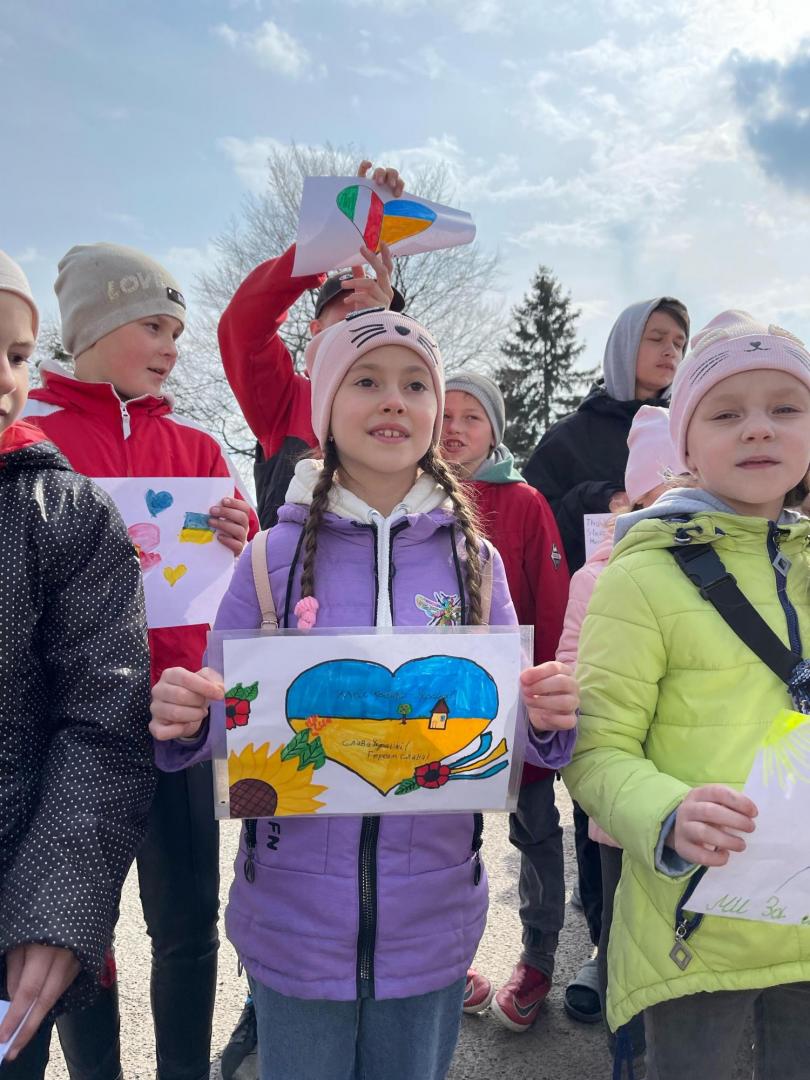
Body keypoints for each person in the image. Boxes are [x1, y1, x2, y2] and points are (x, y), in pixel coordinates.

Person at [150, 308, 580, 1080]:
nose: (393, 400)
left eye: (416, 385)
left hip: (433, 923)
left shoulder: (477, 563)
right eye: (367, 381)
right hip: (291, 923)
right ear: (324, 410)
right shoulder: (267, 561)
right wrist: (189, 719)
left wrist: (543, 721)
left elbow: (498, 731)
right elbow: (227, 727)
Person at [23, 243, 256, 1080]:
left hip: (177, 721)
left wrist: (245, 539)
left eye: (178, 332)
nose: (171, 348)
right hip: (63, 727)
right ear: (94, 326)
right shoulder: (29, 438)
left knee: (188, 923)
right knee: (74, 926)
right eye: (154, 327)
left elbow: (243, 589)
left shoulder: (196, 448)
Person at [564, 310, 810, 1079]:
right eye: (726, 413)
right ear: (686, 447)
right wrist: (667, 815)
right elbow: (594, 749)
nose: (759, 428)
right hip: (697, 920)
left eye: (786, 407)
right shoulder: (639, 577)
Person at [0, 251, 154, 1072]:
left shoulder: (60, 510)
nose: (5, 377)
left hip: (13, 901)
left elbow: (101, 718)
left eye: (18, 354)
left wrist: (58, 901)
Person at [524, 296, 690, 1021]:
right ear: (624, 345)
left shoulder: (697, 420)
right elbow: (538, 514)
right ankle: (603, 943)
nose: (670, 351)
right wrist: (604, 496)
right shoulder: (572, 436)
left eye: (679, 341)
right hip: (596, 629)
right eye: (656, 337)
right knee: (603, 813)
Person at [440, 372, 570, 1031]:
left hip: (516, 707)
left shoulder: (524, 502)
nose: (455, 428)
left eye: (472, 417)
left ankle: (538, 958)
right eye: (446, 414)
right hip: (437, 710)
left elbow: (552, 603)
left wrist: (543, 697)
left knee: (536, 832)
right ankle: (446, 959)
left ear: (495, 431)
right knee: (443, 836)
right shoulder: (413, 499)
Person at [556, 405, 679, 1051]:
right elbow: (572, 665)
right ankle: (625, 1044)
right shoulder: (598, 576)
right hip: (622, 806)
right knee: (621, 924)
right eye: (664, 492)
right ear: (633, 499)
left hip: (706, 793)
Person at [219, 161, 406, 528]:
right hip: (290, 565)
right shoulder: (288, 399)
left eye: (374, 316)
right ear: (315, 330)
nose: (360, 328)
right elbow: (242, 327)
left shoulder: (405, 403)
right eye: (349, 314)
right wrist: (322, 248)